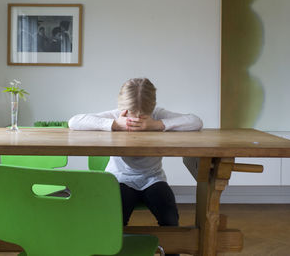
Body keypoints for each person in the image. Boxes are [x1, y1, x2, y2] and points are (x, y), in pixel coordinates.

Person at [69, 78, 203, 256]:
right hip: (120, 178)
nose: (137, 119)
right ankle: (115, 249)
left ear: (152, 108)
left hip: (152, 178)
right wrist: (114, 124)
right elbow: (74, 121)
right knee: (116, 218)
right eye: (133, 114)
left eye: (143, 115)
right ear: (123, 108)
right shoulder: (116, 116)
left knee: (170, 217)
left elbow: (196, 121)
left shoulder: (158, 115)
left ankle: (172, 251)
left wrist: (158, 125)